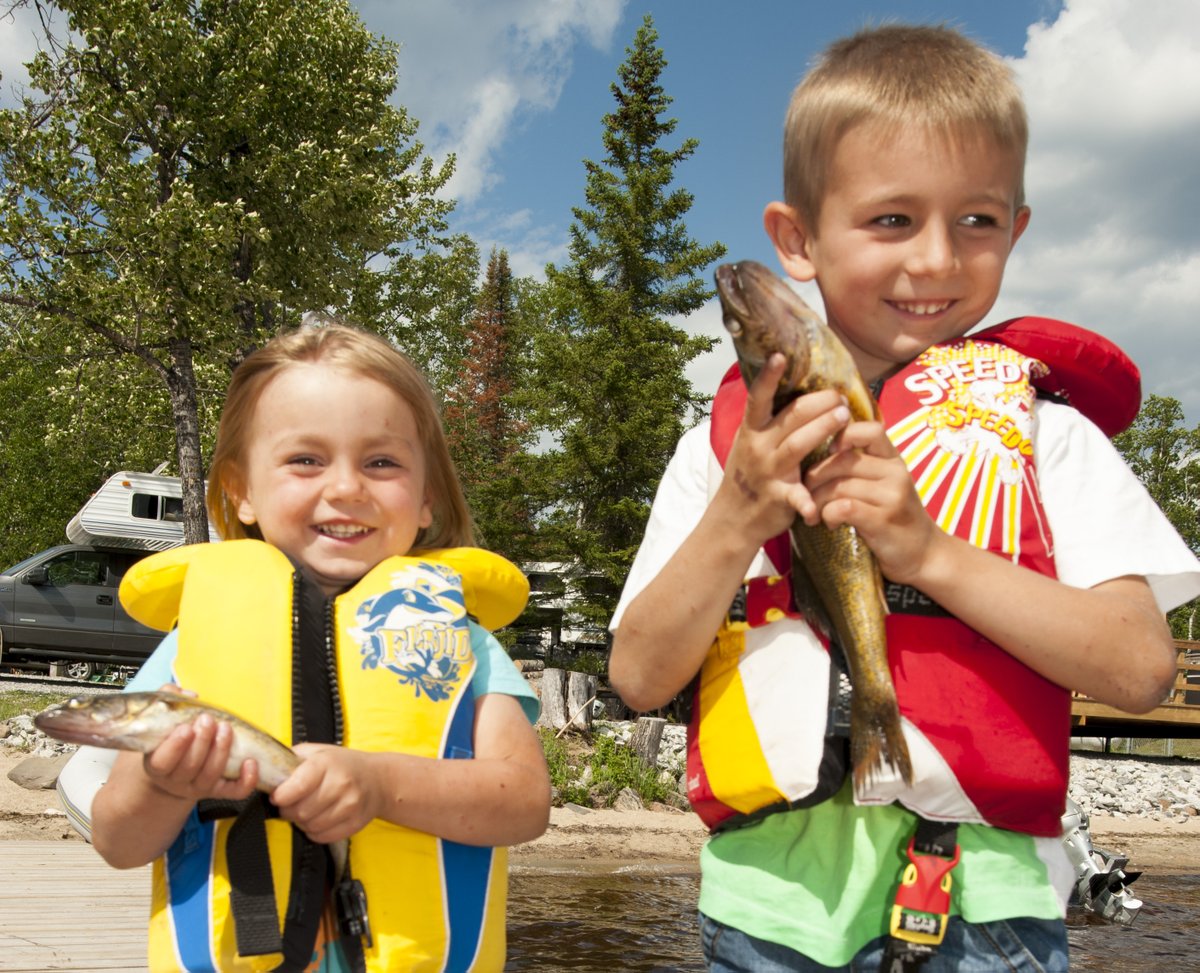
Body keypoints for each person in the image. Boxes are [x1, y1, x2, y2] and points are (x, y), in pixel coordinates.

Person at [608, 23, 1200, 973]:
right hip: (767, 907)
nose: (933, 259)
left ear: (1017, 227)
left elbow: (1139, 668)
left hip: (992, 907)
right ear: (796, 241)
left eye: (976, 221)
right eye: (891, 220)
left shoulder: (1048, 435)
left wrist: (927, 553)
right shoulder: (722, 456)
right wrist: (737, 515)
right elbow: (638, 674)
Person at [71, 322, 550, 972]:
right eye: (306, 459)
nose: (347, 486)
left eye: (382, 462)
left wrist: (380, 783)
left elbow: (524, 801)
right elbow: (118, 840)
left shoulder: (466, 643)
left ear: (427, 496)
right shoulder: (188, 651)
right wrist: (161, 782)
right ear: (240, 490)